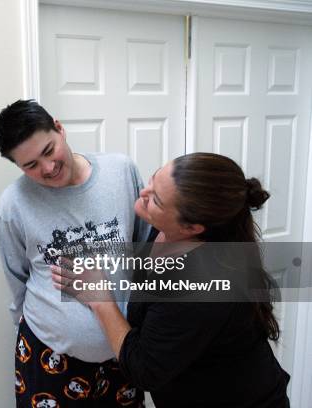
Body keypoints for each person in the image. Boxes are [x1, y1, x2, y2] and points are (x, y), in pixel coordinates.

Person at [52, 153, 291, 407]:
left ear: (193, 228)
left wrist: (100, 299)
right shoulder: (167, 232)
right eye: (153, 179)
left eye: (155, 199)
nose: (143, 192)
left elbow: (144, 370)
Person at [0, 99, 150, 407]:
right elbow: (17, 279)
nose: (48, 169)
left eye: (49, 151)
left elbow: (143, 250)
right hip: (50, 356)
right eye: (31, 166)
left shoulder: (121, 171)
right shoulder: (13, 204)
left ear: (60, 129)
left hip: (123, 349)